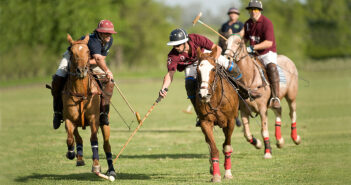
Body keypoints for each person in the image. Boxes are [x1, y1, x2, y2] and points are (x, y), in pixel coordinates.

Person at [159, 28, 240, 126]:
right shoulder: (173, 56)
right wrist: (164, 88)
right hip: (190, 65)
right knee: (189, 83)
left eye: (178, 44)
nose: (176, 47)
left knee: (232, 67)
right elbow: (170, 74)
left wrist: (212, 61)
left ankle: (244, 90)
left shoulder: (195, 38)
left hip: (206, 56)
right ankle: (199, 114)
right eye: (174, 45)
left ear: (185, 42)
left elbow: (217, 48)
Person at [51, 19, 116, 129]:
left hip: (88, 61)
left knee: (109, 82)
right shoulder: (94, 40)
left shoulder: (109, 40)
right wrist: (107, 70)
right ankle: (57, 112)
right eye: (106, 33)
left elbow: (101, 58)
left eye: (110, 32)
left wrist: (85, 64)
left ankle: (103, 114)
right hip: (72, 57)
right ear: (99, 33)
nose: (109, 35)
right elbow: (98, 59)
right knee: (58, 78)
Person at [244, 0, 281, 109]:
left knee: (272, 68)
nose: (253, 12)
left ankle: (275, 98)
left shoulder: (266, 23)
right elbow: (245, 38)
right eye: (251, 10)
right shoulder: (247, 23)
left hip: (267, 53)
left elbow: (268, 42)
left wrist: (252, 47)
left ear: (260, 11)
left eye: (255, 9)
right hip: (252, 55)